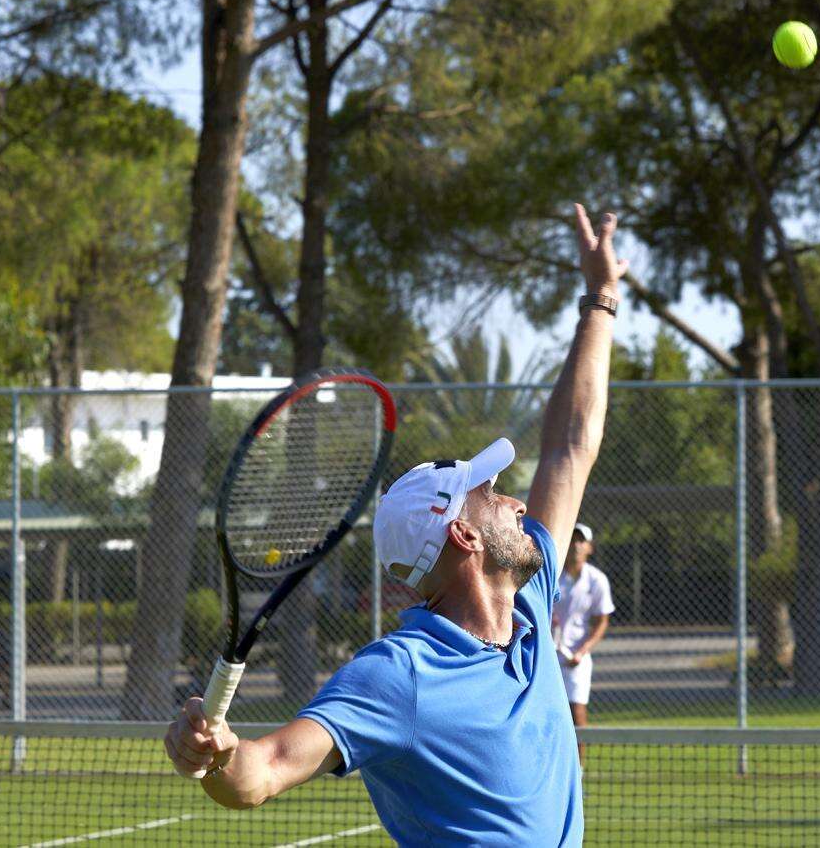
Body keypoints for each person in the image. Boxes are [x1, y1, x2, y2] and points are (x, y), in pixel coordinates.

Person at [163, 203, 626, 846]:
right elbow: (261, 772)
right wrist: (216, 753)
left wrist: (600, 299)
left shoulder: (530, 602)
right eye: (492, 494)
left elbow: (570, 446)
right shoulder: (400, 673)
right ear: (464, 535)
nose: (518, 504)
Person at [552, 522, 614, 765]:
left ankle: (578, 771)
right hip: (547, 655)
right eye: (572, 539)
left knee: (577, 714)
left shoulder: (597, 580)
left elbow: (601, 622)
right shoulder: (552, 575)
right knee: (547, 713)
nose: (576, 545)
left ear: (590, 547)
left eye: (581, 541)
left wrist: (581, 651)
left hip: (577, 659)